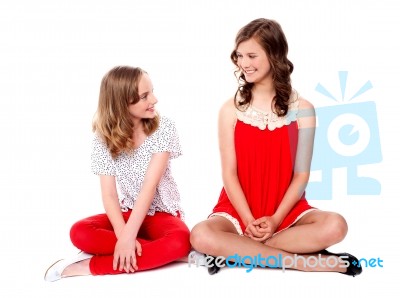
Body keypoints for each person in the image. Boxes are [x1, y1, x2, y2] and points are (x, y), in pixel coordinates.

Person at [190, 18, 362, 276]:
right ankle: (306, 262)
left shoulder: (304, 110)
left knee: (336, 225)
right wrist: (248, 221)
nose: (243, 63)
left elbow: (301, 175)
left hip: (287, 212)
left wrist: (276, 220)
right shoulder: (230, 110)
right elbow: (229, 174)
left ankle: (236, 254)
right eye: (239, 56)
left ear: (274, 55)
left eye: (251, 55)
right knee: (201, 234)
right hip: (238, 212)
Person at [44, 66, 191, 282]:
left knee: (179, 241)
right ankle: (164, 254)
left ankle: (86, 266)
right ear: (122, 103)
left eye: (152, 91)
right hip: (128, 212)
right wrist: (124, 235)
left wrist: (127, 238)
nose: (155, 99)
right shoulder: (103, 139)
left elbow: (148, 188)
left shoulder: (163, 128)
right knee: (79, 232)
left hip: (161, 214)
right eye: (144, 96)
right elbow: (109, 195)